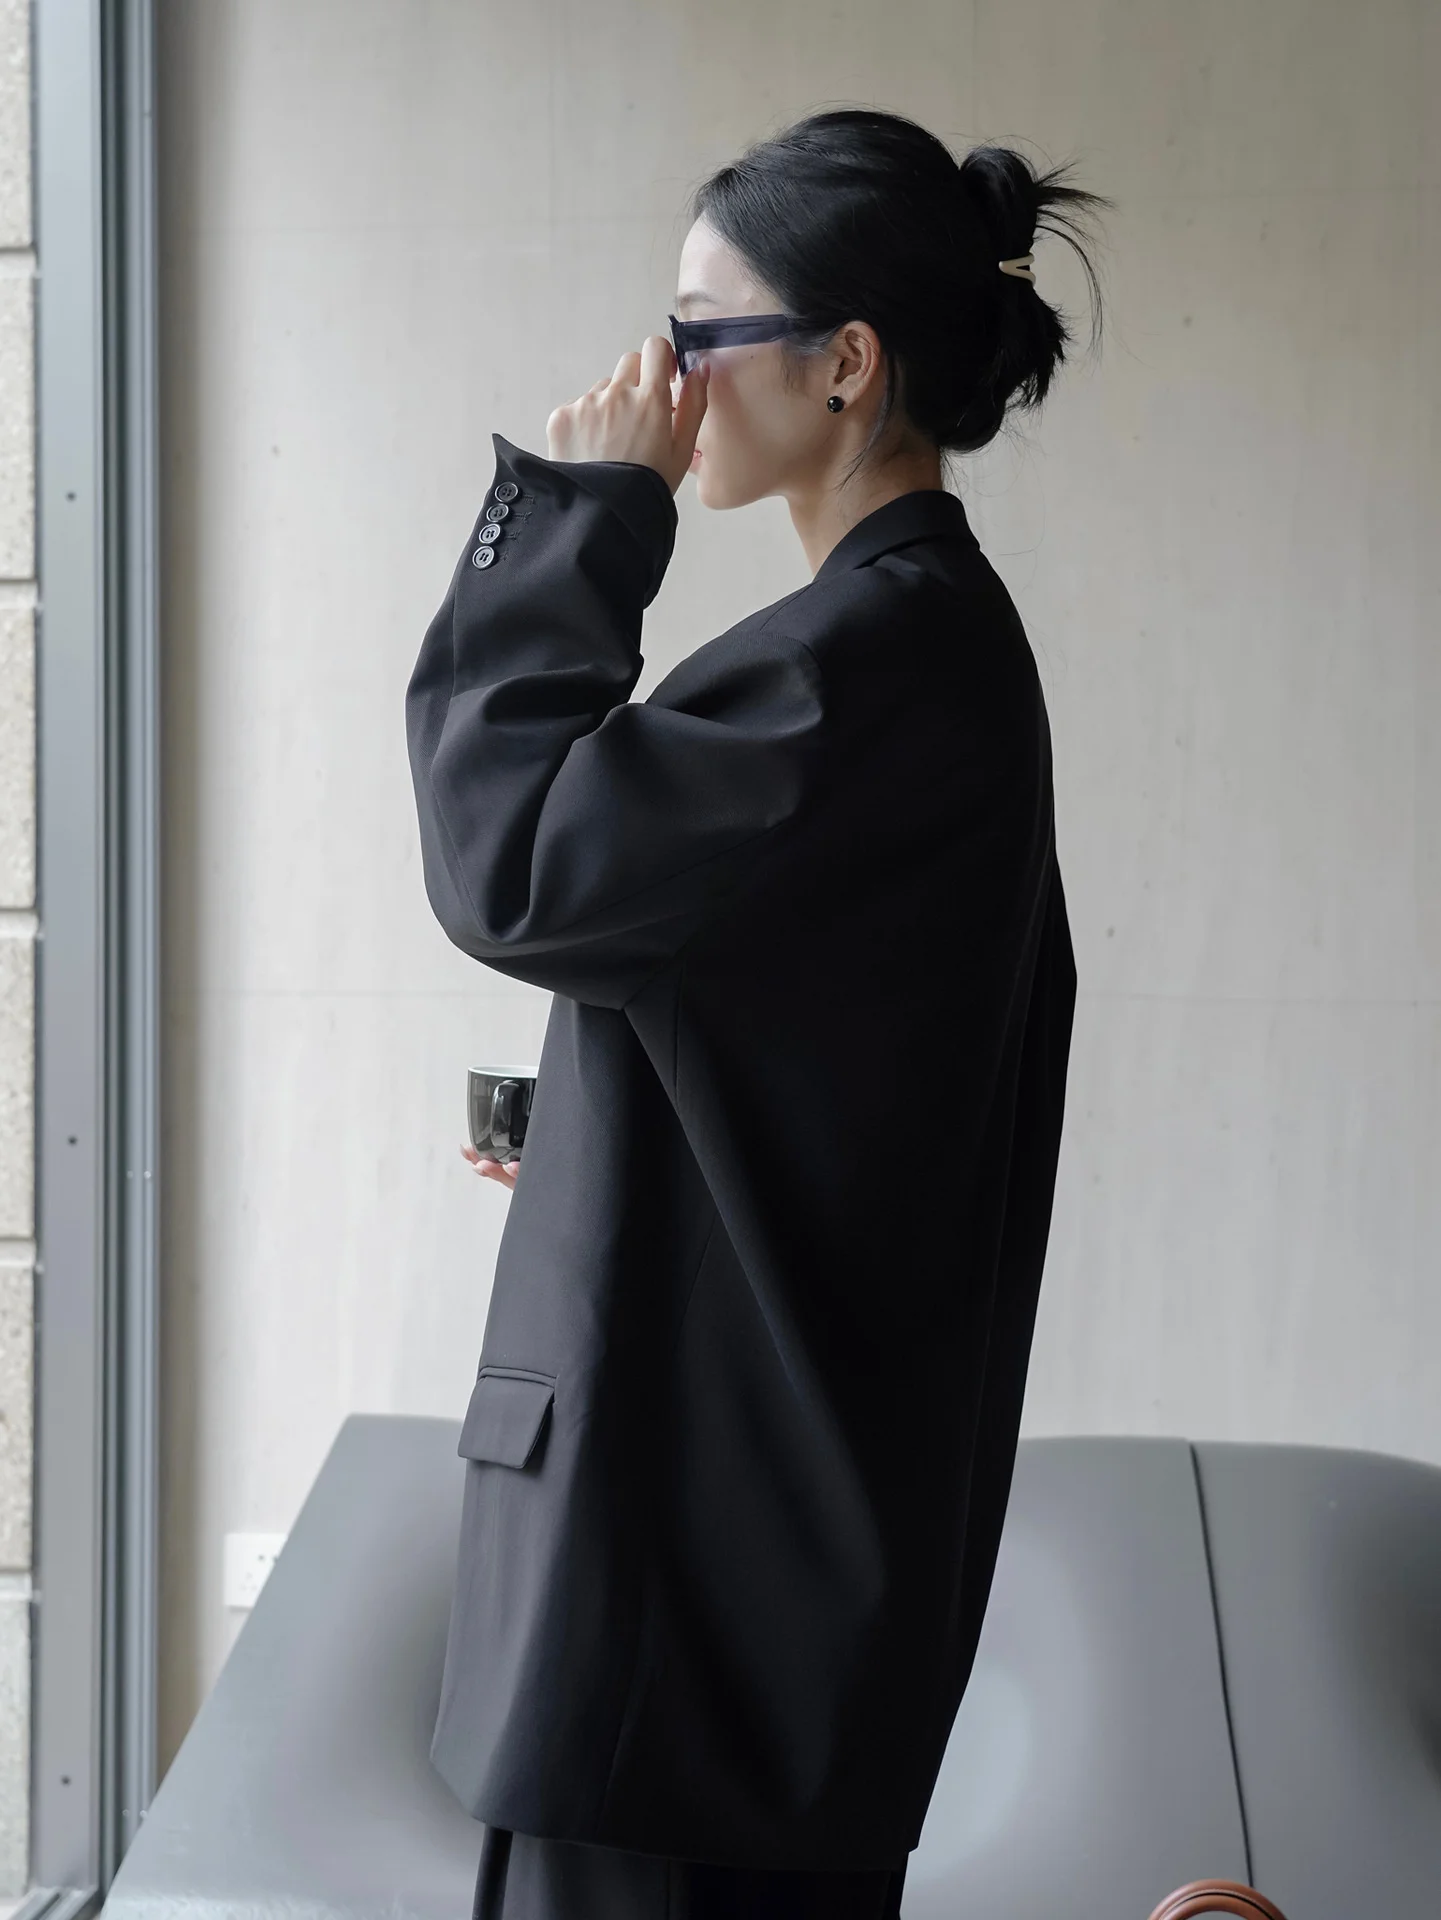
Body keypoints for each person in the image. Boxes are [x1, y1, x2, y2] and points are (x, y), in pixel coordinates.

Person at [406, 106, 1108, 1920]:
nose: (663, 384)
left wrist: (588, 513)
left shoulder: (860, 667)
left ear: (845, 364)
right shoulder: (919, 655)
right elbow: (845, 1078)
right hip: (748, 1610)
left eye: (698, 334)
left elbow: (509, 863)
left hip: (694, 1627)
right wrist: (608, 1144)